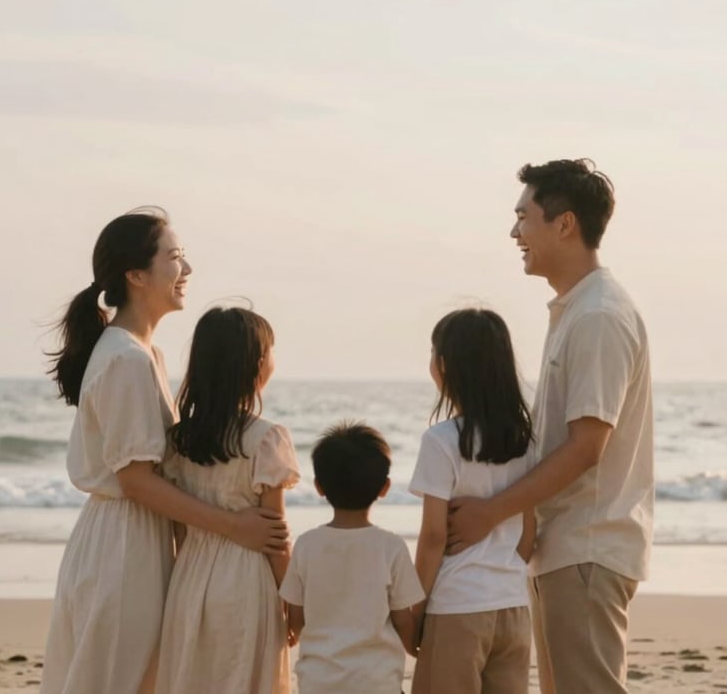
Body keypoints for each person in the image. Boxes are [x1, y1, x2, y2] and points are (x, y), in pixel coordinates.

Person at [41, 208, 288, 694]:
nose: (187, 270)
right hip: (123, 544)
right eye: (174, 258)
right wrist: (235, 526)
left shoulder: (140, 352)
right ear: (137, 275)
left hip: (134, 537)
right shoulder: (127, 359)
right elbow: (135, 480)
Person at [448, 159, 654, 693]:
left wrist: (493, 511)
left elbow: (587, 446)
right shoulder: (577, 309)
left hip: (587, 544)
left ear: (564, 224)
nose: (514, 232)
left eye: (524, 217)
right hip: (565, 547)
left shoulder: (599, 316)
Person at [156, 306, 300, 694]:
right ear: (256, 364)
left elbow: (179, 529)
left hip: (190, 578)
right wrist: (294, 599)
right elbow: (275, 536)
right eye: (271, 352)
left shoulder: (177, 441)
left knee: (193, 676)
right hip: (247, 580)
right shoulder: (266, 438)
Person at [409, 308, 537, 694]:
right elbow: (529, 527)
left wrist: (415, 610)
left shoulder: (441, 440)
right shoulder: (525, 439)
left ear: (444, 365)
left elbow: (433, 537)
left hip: (457, 606)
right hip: (513, 607)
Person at [279, 422, 425, 694]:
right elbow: (403, 620)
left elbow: (296, 621)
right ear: (385, 487)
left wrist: (294, 634)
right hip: (376, 682)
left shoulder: (306, 545)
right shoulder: (391, 547)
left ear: (319, 487)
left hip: (318, 682)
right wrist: (417, 647)